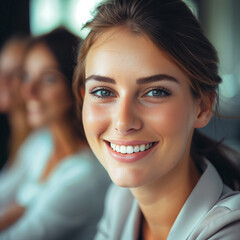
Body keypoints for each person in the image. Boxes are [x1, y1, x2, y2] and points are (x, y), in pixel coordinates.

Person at [73, 0, 240, 239]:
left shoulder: (231, 230)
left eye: (155, 92)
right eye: (103, 92)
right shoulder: (121, 201)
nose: (123, 122)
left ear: (202, 107)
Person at [0, 28, 110, 240]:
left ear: (75, 86)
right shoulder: (41, 143)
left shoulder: (84, 175)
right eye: (26, 76)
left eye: (49, 79)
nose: (28, 91)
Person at [0, 36, 31, 169]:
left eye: (16, 73)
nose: (3, 81)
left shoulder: (43, 143)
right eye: (1, 72)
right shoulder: (15, 136)